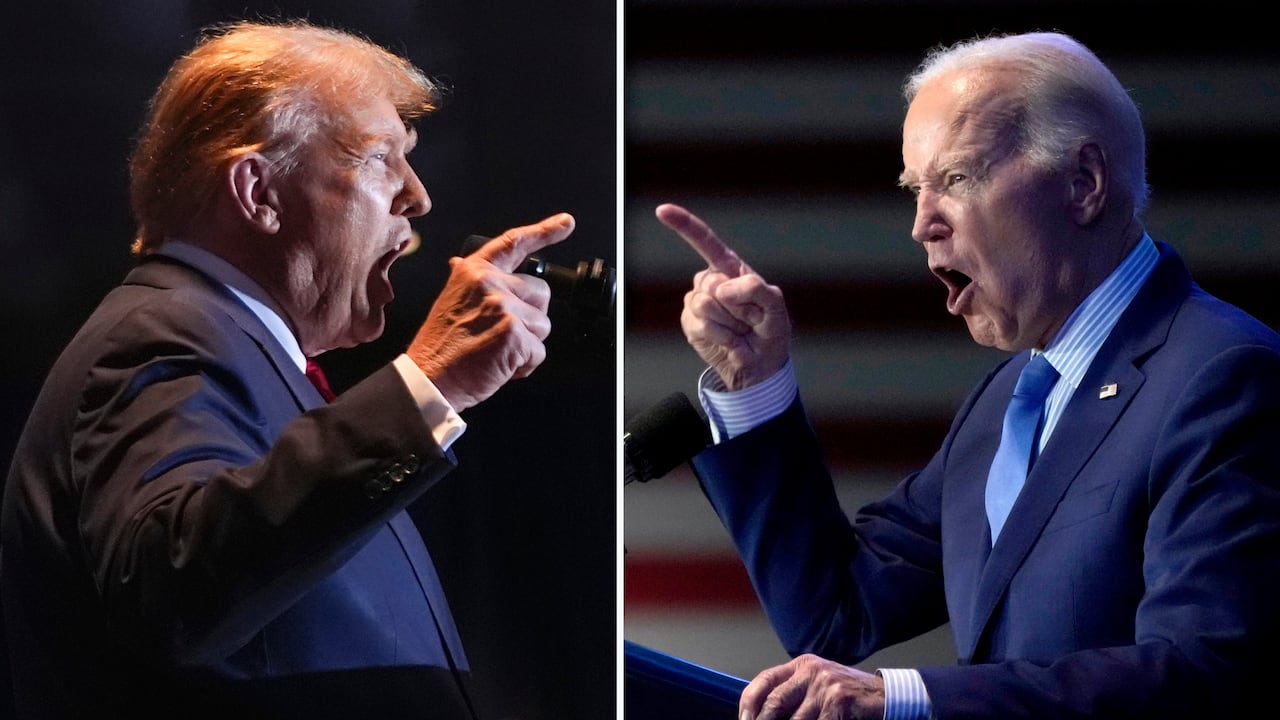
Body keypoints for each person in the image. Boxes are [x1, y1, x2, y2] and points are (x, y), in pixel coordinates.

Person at [654, 31, 1280, 720]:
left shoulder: (1224, 376)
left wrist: (906, 698)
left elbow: (1206, 673)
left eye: (956, 179)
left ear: (1084, 184)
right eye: (915, 190)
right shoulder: (1007, 400)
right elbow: (836, 611)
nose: (922, 224)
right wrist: (756, 381)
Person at [0, 19, 579, 720]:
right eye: (379, 158)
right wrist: (431, 381)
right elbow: (176, 588)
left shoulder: (237, 348)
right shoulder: (162, 335)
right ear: (258, 193)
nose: (417, 196)